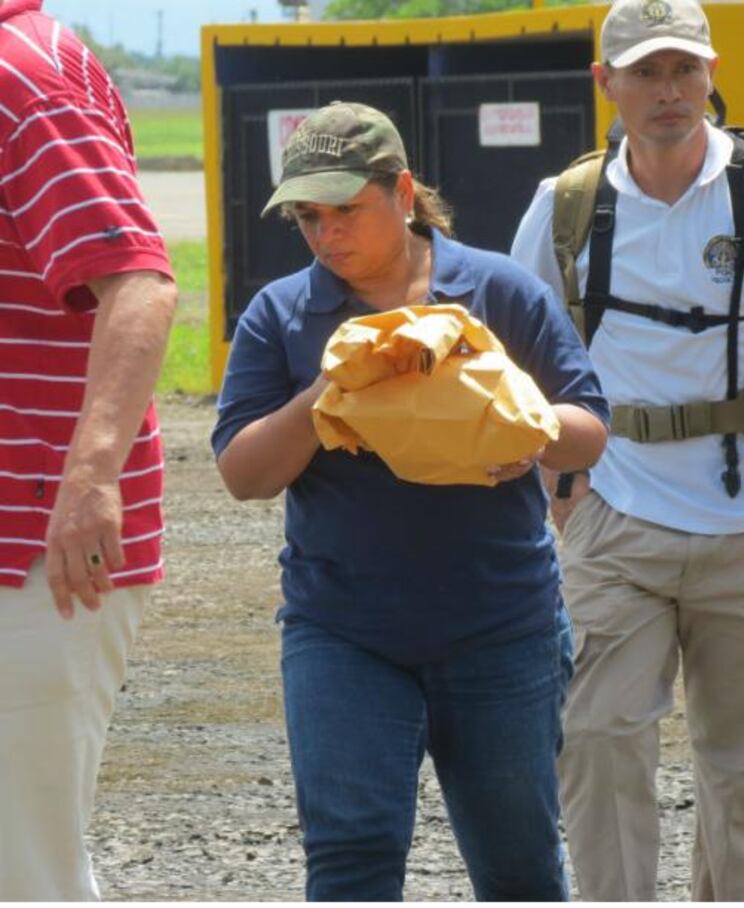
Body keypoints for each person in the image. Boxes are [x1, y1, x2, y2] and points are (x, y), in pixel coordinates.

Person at [511, 0, 744, 900]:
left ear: (712, 72)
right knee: (596, 746)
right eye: (645, 72)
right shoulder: (566, 209)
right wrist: (558, 484)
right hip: (615, 526)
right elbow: (516, 359)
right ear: (607, 84)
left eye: (684, 70)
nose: (668, 92)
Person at [211, 100, 609, 901]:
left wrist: (513, 425)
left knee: (519, 866)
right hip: (343, 633)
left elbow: (588, 428)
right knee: (351, 859)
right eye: (307, 218)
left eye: (345, 211)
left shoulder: (497, 292)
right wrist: (331, 395)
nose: (326, 236)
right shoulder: (282, 316)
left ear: (401, 192)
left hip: (501, 629)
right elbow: (243, 473)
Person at [0, 1, 178, 899]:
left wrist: (89, 483)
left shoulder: (22, 75)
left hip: (33, 548)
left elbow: (140, 283)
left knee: (24, 874)